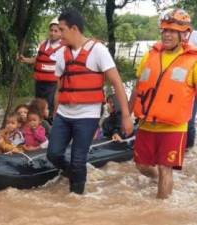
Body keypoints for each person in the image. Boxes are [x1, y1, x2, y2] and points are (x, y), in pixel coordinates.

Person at [46, 8, 133, 195]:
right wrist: (55, 113)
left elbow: (117, 84)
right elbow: (59, 87)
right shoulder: (61, 54)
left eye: (61, 30)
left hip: (87, 115)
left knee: (78, 159)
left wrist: (126, 116)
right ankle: (73, 174)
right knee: (53, 154)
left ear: (74, 29)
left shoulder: (98, 51)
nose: (58, 34)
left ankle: (76, 199)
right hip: (64, 113)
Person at [129, 8, 197, 199]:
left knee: (166, 169)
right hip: (147, 123)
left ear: (184, 34)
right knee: (141, 166)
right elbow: (136, 88)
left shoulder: (196, 62)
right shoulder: (149, 56)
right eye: (165, 30)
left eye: (172, 30)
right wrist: (126, 115)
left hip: (174, 127)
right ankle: (156, 178)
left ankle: (160, 212)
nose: (167, 34)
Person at [18, 17, 63, 120]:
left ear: (61, 33)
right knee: (37, 107)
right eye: (51, 30)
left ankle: (50, 129)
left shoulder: (63, 47)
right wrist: (25, 59)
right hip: (39, 82)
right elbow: (37, 59)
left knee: (48, 109)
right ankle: (39, 129)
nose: (53, 33)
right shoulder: (43, 44)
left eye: (56, 31)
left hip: (52, 84)